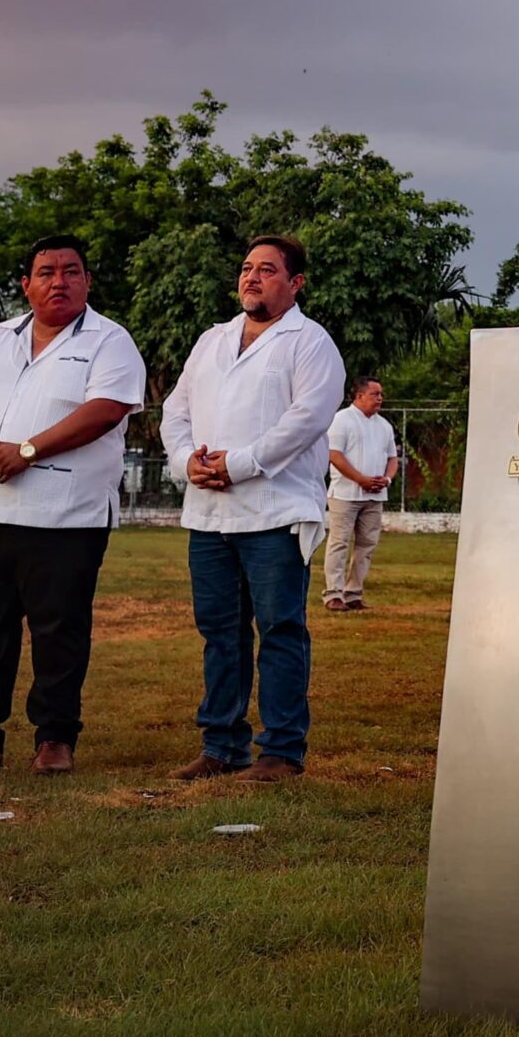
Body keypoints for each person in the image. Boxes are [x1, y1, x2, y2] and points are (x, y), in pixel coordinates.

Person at [0, 235, 147, 775]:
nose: (58, 281)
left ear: (88, 281)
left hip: (63, 513)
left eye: (71, 271)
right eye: (46, 272)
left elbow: (106, 409)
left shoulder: (110, 341)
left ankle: (55, 739)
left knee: (58, 630)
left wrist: (27, 450)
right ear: (26, 284)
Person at [162, 236, 346, 783]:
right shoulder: (211, 341)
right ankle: (221, 745)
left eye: (267, 270)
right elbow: (176, 410)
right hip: (208, 514)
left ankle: (281, 752)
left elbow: (308, 419)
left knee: (281, 629)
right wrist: (184, 463)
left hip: (274, 511)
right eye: (246, 268)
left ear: (295, 283)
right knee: (220, 633)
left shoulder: (309, 343)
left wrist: (238, 464)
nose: (252, 278)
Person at [323, 379, 395, 613]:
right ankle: (333, 593)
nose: (380, 398)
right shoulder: (341, 420)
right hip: (345, 493)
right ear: (360, 395)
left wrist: (387, 479)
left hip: (375, 496)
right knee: (339, 542)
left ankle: (353, 593)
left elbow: (392, 458)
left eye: (381, 394)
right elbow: (334, 455)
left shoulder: (384, 425)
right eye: (375, 394)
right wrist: (360, 479)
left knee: (366, 545)